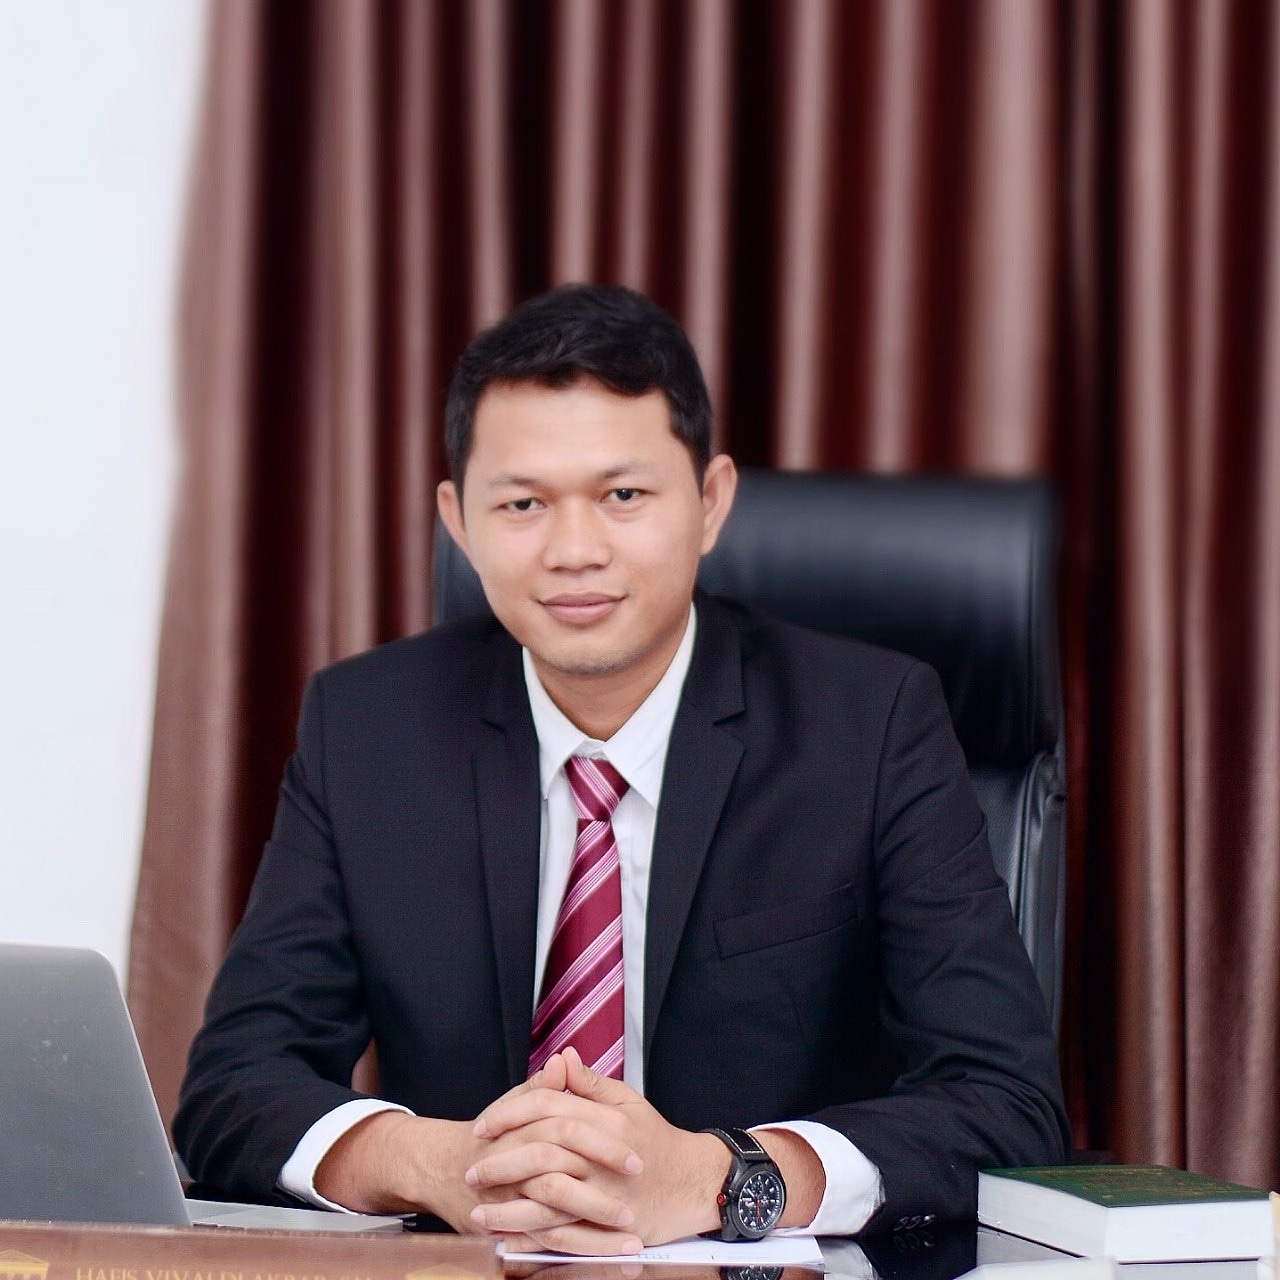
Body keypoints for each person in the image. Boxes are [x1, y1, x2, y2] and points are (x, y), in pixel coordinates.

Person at [175, 283, 1068, 1254]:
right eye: (522, 503)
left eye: (622, 496)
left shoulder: (870, 725)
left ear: (710, 502)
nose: (573, 550)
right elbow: (230, 1087)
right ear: (458, 521)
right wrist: (437, 1161)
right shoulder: (367, 729)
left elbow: (1005, 1104)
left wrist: (725, 1177)